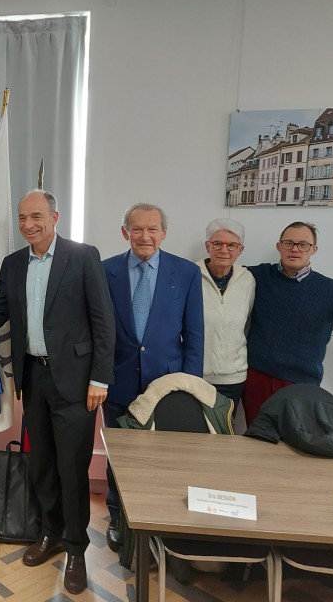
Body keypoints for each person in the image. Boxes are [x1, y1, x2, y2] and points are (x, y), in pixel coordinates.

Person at [0, 189, 114, 595]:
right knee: (42, 462)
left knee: (72, 468)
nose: (28, 224)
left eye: (36, 216)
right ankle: (50, 532)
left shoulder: (83, 257)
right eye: (22, 218)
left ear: (55, 217)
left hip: (76, 383)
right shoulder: (13, 264)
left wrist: (100, 379)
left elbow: (103, 321)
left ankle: (76, 549)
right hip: (34, 379)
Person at [102, 202, 203, 551]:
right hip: (119, 382)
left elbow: (194, 334)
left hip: (167, 386)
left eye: (152, 229)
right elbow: (98, 331)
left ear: (164, 233)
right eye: (137, 229)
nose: (145, 236)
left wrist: (191, 387)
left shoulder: (186, 272)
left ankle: (162, 519)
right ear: (125, 232)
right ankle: (118, 516)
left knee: (167, 457)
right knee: (119, 457)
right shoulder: (105, 271)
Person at [243, 221, 333, 425]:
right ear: (279, 246)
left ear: (314, 249)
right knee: (257, 439)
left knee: (296, 442)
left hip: (301, 385)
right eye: (289, 243)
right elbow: (222, 275)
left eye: (303, 244)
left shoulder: (331, 290)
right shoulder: (256, 276)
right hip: (256, 379)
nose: (295, 249)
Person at [196, 219, 255, 407]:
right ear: (207, 246)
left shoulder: (248, 279)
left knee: (226, 424)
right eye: (217, 244)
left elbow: (247, 323)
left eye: (231, 245)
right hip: (196, 374)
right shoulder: (190, 275)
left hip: (233, 377)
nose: (224, 249)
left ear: (240, 250)